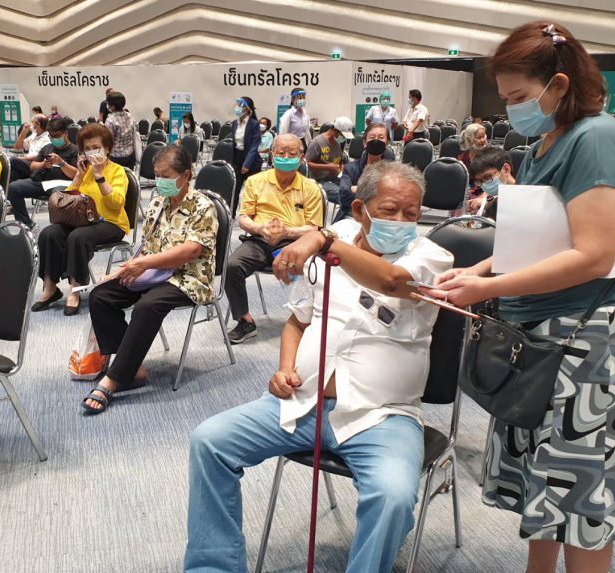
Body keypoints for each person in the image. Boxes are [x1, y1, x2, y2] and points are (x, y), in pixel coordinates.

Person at [422, 22, 615, 573]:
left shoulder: (598, 140)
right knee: (545, 488)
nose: (512, 109)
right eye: (505, 98)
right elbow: (538, 238)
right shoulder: (547, 143)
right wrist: (480, 268)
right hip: (543, 337)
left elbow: (594, 255)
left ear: (560, 84)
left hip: (584, 342)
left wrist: (488, 288)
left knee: (582, 494)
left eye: (519, 96)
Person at [184, 160, 453, 573]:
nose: (401, 221)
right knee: (209, 441)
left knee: (393, 496)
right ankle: (213, 567)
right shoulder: (335, 238)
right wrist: (283, 368)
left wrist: (321, 240)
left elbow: (392, 281)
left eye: (411, 214)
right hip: (303, 402)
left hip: (382, 417)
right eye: (389, 210)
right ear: (360, 209)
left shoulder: (431, 256)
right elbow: (297, 321)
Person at [83, 146, 218, 414]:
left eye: (166, 176)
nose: (159, 182)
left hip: (188, 277)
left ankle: (114, 378)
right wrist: (126, 268)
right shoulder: (158, 202)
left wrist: (144, 264)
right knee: (101, 296)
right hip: (154, 271)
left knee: (148, 306)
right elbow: (148, 246)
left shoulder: (203, 206)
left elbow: (191, 251)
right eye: (157, 175)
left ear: (186, 175)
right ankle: (133, 368)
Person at [225, 133, 324, 344]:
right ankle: (245, 320)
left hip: (294, 241)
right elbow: (244, 218)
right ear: (272, 154)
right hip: (260, 239)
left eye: (292, 154)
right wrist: (260, 228)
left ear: (301, 157)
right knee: (231, 267)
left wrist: (286, 232)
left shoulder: (310, 187)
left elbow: (314, 228)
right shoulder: (255, 181)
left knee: (315, 270)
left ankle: (307, 320)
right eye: (281, 153)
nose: (286, 157)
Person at [34, 123, 130, 316]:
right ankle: (50, 287)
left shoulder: (117, 171)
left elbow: (115, 204)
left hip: (110, 222)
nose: (91, 152)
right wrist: (79, 176)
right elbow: (67, 201)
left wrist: (99, 177)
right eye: (87, 148)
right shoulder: (85, 170)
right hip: (83, 220)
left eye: (96, 147)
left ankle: (75, 289)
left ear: (107, 148)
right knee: (49, 233)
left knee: (78, 236)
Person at [7, 117, 80, 228]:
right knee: (13, 188)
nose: (54, 139)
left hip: (64, 184)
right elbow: (32, 166)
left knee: (58, 196)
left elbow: (75, 174)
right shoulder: (47, 148)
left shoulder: (75, 150)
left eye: (57, 136)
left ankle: (60, 228)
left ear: (66, 133)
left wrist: (61, 163)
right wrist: (43, 164)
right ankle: (26, 224)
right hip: (43, 182)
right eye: (51, 136)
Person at [335, 122, 394, 222]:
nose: (376, 140)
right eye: (372, 137)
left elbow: (393, 200)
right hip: (351, 216)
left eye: (381, 137)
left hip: (381, 220)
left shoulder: (393, 171)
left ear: (387, 142)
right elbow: (344, 196)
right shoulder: (351, 168)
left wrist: (359, 189)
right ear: (364, 142)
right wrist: (378, 193)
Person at [304, 116, 353, 202]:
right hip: (319, 181)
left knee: (356, 190)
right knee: (345, 195)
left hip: (335, 179)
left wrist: (342, 167)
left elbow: (340, 160)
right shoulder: (317, 142)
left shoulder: (338, 142)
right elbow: (306, 163)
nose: (344, 139)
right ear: (335, 130)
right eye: (342, 135)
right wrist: (327, 167)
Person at [229, 96, 262, 203]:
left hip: (251, 160)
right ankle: (232, 212)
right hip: (237, 159)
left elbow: (254, 145)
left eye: (240, 105)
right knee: (234, 190)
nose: (237, 107)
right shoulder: (234, 123)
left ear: (248, 109)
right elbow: (234, 144)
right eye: (237, 105)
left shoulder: (254, 124)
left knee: (253, 192)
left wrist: (247, 163)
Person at [467, 145, 516, 218]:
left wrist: (487, 205)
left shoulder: (524, 198)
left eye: (488, 177)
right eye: (480, 181)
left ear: (506, 169)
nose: (484, 185)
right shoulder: (490, 200)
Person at [104, 91, 136, 170]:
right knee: (128, 176)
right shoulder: (129, 115)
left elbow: (108, 141)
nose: (107, 105)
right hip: (130, 154)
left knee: (116, 177)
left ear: (113, 107)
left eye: (108, 104)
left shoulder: (110, 120)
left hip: (116, 157)